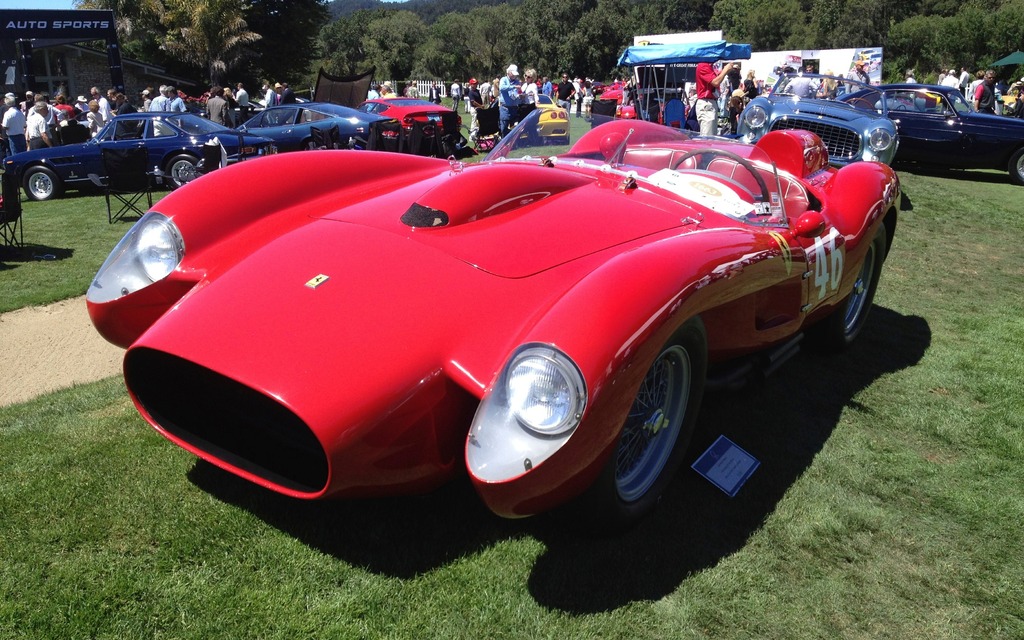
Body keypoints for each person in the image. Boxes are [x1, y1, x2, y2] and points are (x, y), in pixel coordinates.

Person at [695, 59, 738, 136]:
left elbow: (716, 78)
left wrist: (724, 71)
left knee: (711, 136)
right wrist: (725, 70)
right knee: (707, 137)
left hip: (710, 103)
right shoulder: (703, 65)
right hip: (706, 103)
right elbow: (715, 82)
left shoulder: (709, 66)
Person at [498, 64, 521, 136]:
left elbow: (518, 92)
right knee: (504, 128)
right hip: (505, 109)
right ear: (509, 72)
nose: (514, 76)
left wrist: (520, 95)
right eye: (513, 74)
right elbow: (502, 87)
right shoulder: (503, 79)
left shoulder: (517, 81)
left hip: (514, 108)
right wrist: (513, 87)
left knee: (516, 128)